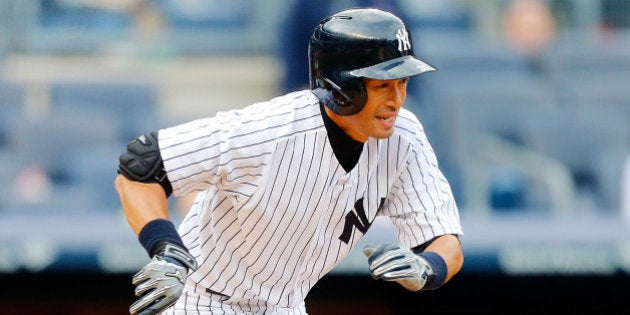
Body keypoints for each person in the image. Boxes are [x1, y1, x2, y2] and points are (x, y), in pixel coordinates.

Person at [115, 7, 464, 315]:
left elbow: (445, 242)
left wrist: (426, 268)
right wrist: (165, 249)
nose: (398, 100)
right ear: (343, 87)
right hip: (202, 299)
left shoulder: (405, 136)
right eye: (383, 86)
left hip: (285, 305)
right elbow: (141, 165)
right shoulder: (269, 129)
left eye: (402, 83)